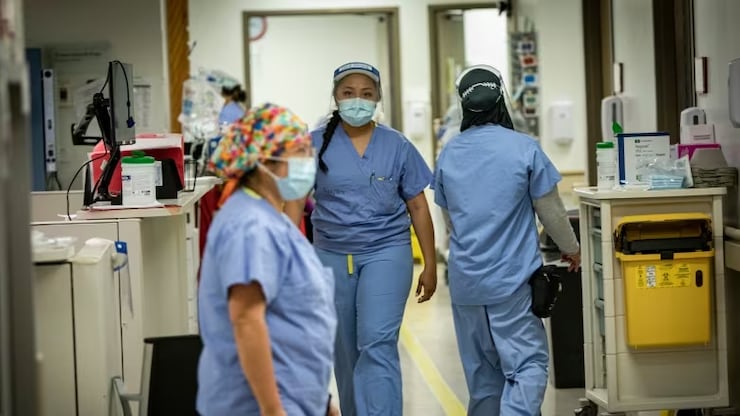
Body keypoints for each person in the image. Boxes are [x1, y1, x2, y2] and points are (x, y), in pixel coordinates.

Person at [433, 64, 581, 416]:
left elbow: (450, 221)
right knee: (527, 365)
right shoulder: (523, 149)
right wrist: (571, 249)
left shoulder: (449, 154)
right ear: (501, 100)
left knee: (483, 375)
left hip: (466, 284)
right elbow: (552, 212)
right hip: (511, 282)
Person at [311, 61, 437, 416]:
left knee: (377, 343)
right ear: (335, 96)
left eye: (366, 94)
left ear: (378, 97)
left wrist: (430, 264)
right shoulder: (313, 144)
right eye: (348, 93)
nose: (357, 101)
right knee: (345, 350)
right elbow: (292, 203)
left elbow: (418, 205)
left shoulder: (396, 145)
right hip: (330, 256)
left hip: (386, 252)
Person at [197, 103, 337, 416]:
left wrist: (321, 400)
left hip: (295, 397)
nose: (309, 160)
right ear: (264, 160)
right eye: (299, 151)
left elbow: (291, 317)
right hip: (257, 405)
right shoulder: (250, 226)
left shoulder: (271, 220)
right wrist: (273, 410)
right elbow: (247, 319)